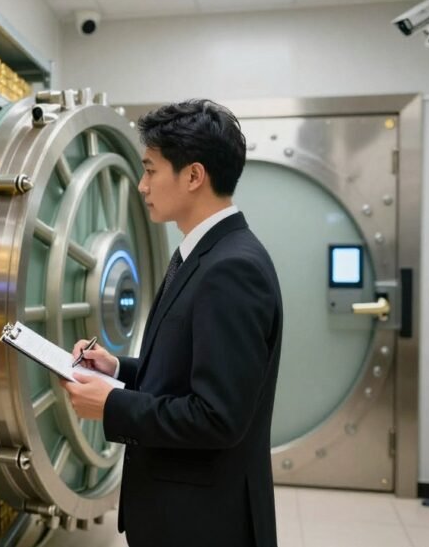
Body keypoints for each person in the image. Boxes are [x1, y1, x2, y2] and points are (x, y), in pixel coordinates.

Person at [59, 99, 283, 547]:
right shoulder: (199, 255)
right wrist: (118, 370)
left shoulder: (231, 269)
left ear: (194, 175)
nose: (142, 186)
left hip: (204, 524)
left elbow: (217, 417)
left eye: (150, 170)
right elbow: (190, 372)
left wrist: (111, 405)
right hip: (180, 514)